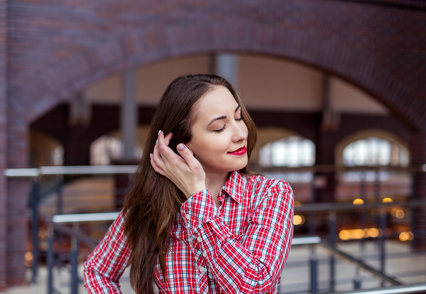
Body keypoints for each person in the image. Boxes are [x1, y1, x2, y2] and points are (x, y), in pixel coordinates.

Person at [83, 74, 294, 293]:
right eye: (220, 127)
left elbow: (257, 286)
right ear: (182, 144)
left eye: (238, 117)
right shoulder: (151, 203)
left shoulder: (270, 194)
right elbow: (98, 271)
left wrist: (197, 198)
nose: (241, 134)